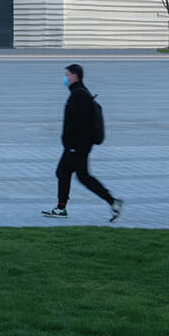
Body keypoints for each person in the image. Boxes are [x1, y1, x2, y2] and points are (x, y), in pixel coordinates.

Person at [43, 63, 122, 221]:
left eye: (67, 75)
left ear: (75, 76)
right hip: (78, 146)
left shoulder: (79, 95)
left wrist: (73, 145)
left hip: (76, 146)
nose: (65, 78)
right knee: (70, 174)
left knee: (75, 175)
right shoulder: (80, 93)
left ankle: (111, 202)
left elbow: (79, 123)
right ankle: (63, 207)